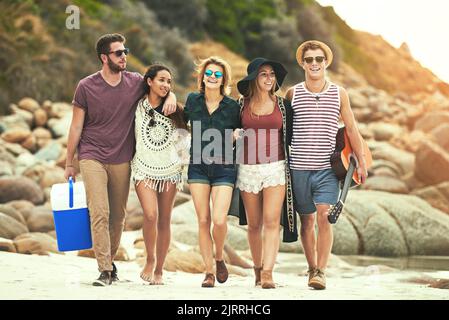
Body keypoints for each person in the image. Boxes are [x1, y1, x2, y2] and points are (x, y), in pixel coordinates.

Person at [64, 33, 176, 286]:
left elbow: (160, 87)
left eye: (125, 52)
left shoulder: (135, 82)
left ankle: (110, 263)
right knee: (100, 212)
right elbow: (75, 127)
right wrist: (70, 163)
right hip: (92, 155)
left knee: (118, 217)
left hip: (122, 158)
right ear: (104, 57)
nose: (124, 56)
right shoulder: (86, 86)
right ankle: (104, 269)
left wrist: (171, 96)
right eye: (118, 53)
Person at [285, 40, 368, 290]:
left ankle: (321, 271)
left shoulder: (339, 93)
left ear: (326, 62)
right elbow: (284, 131)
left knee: (324, 217)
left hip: (327, 169)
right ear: (302, 63)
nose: (314, 64)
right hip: (298, 167)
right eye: (309, 60)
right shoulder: (293, 93)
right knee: (307, 221)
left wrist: (361, 161)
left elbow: (351, 128)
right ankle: (311, 267)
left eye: (318, 59)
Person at [233, 57, 293, 289]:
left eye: (272, 74)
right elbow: (227, 130)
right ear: (254, 79)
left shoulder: (282, 106)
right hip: (247, 169)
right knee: (254, 224)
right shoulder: (241, 105)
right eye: (263, 74)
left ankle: (268, 272)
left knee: (271, 222)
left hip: (275, 167)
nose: (269, 78)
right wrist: (233, 135)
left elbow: (293, 135)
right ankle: (257, 269)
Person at [183, 56, 241, 288]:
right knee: (203, 220)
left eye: (217, 74)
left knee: (218, 220)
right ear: (203, 77)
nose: (213, 77)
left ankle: (219, 257)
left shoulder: (232, 106)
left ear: (223, 79)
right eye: (209, 73)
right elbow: (180, 119)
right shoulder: (192, 100)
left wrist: (239, 134)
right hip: (197, 166)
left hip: (224, 167)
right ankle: (208, 272)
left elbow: (242, 129)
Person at [132, 64, 188, 285]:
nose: (165, 85)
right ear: (149, 81)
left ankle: (159, 270)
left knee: (164, 220)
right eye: (161, 80)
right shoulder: (136, 106)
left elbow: (184, 142)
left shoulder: (177, 110)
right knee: (150, 215)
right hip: (143, 168)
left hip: (170, 171)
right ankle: (149, 259)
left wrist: (183, 165)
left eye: (169, 82)